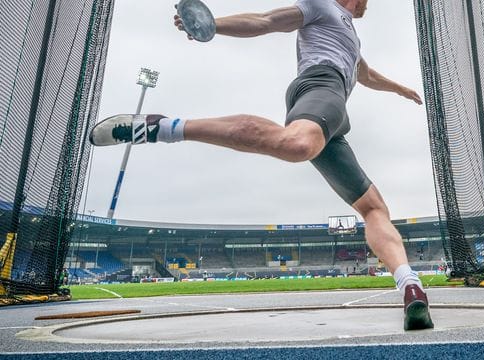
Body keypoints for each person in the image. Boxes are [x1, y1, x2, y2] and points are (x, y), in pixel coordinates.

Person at [90, 0, 432, 330]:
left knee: (374, 207)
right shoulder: (320, 4)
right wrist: (212, 25)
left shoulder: (351, 37)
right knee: (297, 145)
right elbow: (267, 20)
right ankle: (161, 127)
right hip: (319, 86)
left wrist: (399, 89)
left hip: (335, 114)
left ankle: (410, 287)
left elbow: (366, 74)